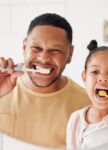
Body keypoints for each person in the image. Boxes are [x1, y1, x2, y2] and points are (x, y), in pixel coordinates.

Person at [0, 13, 91, 148]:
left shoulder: (88, 105)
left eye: (55, 50)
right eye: (36, 48)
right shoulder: (3, 91)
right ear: (24, 47)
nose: (44, 59)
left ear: (70, 54)